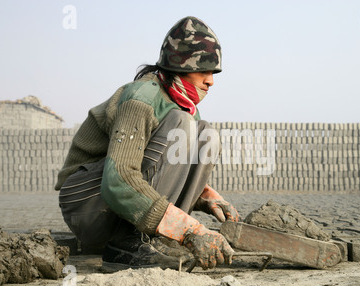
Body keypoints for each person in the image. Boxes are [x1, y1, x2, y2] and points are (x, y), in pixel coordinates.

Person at [55, 16, 239, 271]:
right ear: (181, 66)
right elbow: (119, 179)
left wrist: (205, 196)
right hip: (86, 203)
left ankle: (151, 239)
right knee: (183, 125)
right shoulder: (142, 98)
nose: (211, 81)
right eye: (203, 70)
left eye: (213, 72)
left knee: (206, 135)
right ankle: (126, 244)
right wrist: (189, 230)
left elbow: (162, 168)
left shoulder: (184, 108)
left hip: (113, 204)